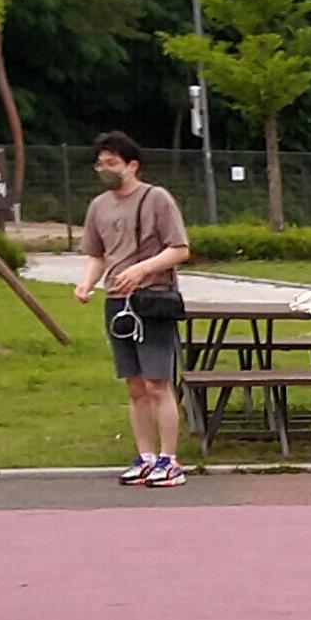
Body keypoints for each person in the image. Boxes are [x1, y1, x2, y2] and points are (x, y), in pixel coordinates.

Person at [74, 134, 193, 486]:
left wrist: (141, 270)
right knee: (135, 385)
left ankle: (169, 460)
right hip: (117, 302)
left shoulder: (156, 199)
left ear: (132, 165)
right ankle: (146, 456)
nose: (105, 170)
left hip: (151, 300)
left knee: (157, 383)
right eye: (100, 164)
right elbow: (97, 254)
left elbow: (179, 248)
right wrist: (87, 283)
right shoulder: (98, 206)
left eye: (112, 163)